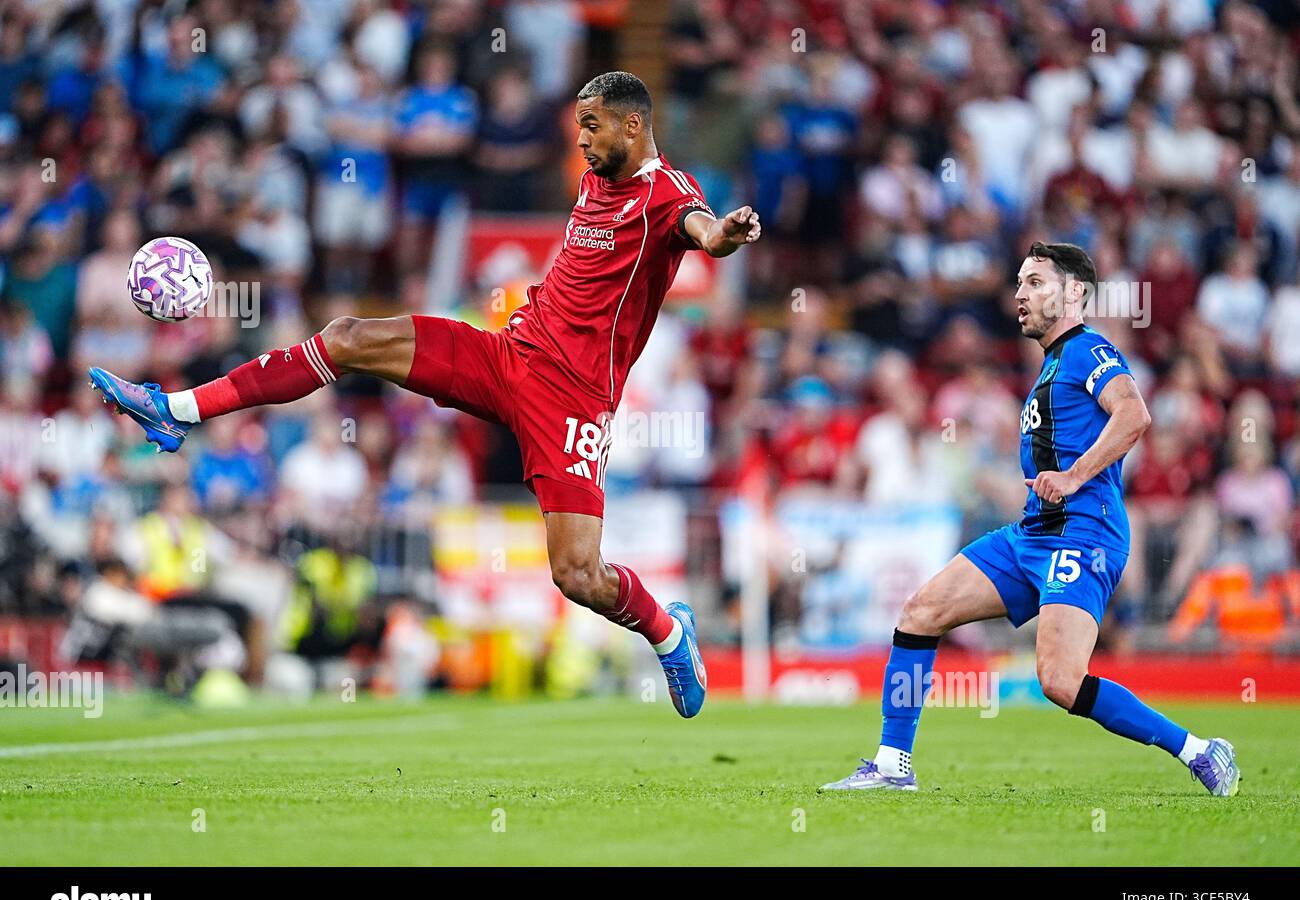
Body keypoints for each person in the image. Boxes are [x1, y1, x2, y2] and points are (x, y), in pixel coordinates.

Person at [87, 71, 762, 719]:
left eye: (592, 127)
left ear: (633, 123)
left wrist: (723, 236)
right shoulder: (594, 179)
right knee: (349, 335)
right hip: (506, 355)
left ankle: (668, 633)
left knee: (578, 575)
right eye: (577, 127)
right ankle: (175, 410)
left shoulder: (668, 193)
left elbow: (702, 229)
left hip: (573, 402)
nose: (581, 141)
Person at [820, 241, 1241, 797]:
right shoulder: (1054, 364)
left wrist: (1073, 476)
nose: (1020, 294)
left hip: (1083, 531)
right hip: (1034, 531)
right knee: (921, 612)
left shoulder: (1089, 349)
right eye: (1019, 282)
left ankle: (1200, 751)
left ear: (1074, 294)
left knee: (1061, 682)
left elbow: (1134, 414)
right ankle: (893, 764)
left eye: (1036, 283)